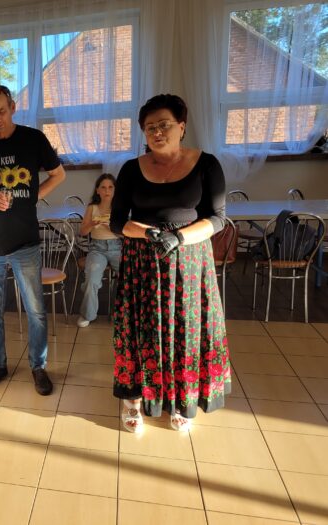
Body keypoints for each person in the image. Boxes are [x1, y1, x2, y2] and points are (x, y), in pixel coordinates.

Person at [110, 94, 231, 433]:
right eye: (150, 128)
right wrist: (148, 233)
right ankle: (134, 399)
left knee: (185, 331)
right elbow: (117, 221)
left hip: (189, 263)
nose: (157, 132)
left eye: (164, 125)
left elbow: (217, 218)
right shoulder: (131, 169)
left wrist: (178, 237)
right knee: (141, 330)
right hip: (142, 264)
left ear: (181, 126)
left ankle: (181, 399)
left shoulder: (207, 165)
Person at [0, 85, 66, 395]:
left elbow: (58, 174)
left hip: (25, 240)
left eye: (1, 111)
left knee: (35, 309)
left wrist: (33, 197)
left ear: (13, 107)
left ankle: (38, 366)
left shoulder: (33, 139)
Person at [76, 173, 121, 328]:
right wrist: (92, 224)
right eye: (103, 187)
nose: (107, 190)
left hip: (117, 247)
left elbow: (126, 234)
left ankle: (119, 313)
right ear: (97, 190)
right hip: (97, 248)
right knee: (92, 280)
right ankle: (88, 314)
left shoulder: (119, 208)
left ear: (115, 189)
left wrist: (112, 228)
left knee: (127, 277)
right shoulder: (92, 208)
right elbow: (82, 232)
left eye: (110, 187)